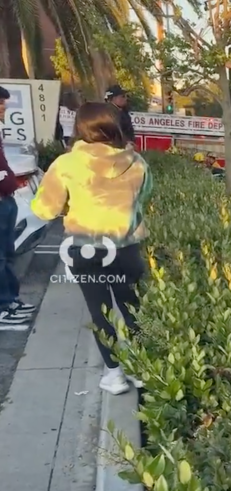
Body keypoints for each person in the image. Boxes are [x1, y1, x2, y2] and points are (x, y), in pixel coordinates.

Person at [31, 102, 152, 395]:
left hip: (86, 249)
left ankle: (114, 375)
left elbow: (45, 209)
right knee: (134, 309)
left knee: (100, 312)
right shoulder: (137, 162)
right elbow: (143, 198)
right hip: (126, 248)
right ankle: (141, 370)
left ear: (81, 129)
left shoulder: (67, 164)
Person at [0, 86, 36, 325]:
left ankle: (11, 299)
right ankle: (3, 306)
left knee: (8, 254)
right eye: (2, 104)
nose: (5, 108)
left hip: (6, 201)